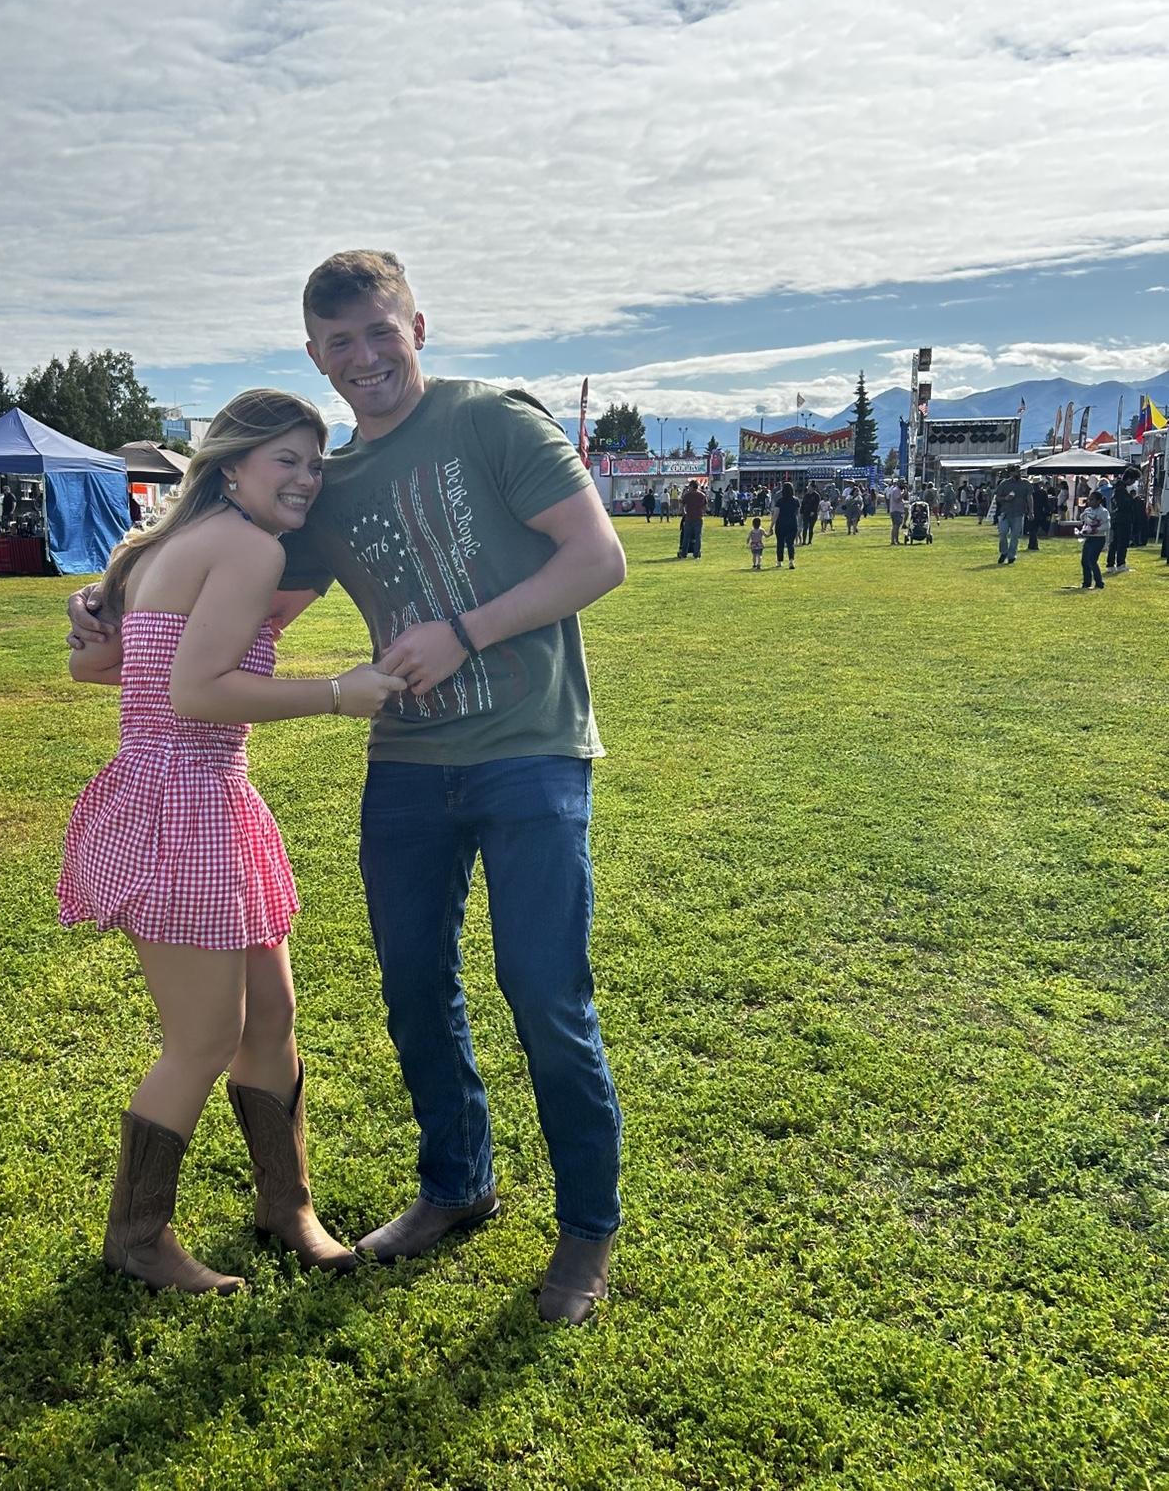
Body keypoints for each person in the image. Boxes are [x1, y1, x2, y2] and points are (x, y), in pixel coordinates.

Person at [73, 250, 627, 1324]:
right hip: (406, 766)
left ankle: (585, 1231)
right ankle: (454, 1186)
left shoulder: (493, 421)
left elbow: (597, 559)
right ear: (317, 357)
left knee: (544, 993)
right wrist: (109, 609)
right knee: (415, 991)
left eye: (380, 330)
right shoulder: (326, 487)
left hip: (531, 749)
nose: (365, 355)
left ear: (417, 326)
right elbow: (217, 616)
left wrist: (461, 631)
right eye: (340, 342)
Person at [61, 389, 405, 1296]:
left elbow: (97, 665)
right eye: (285, 459)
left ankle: (286, 1207)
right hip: (187, 805)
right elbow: (196, 693)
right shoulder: (249, 549)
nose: (306, 478)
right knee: (204, 1039)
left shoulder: (165, 546)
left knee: (272, 1018)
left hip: (187, 798)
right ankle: (137, 1238)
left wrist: (96, 619)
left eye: (314, 463)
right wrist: (338, 692)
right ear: (231, 465)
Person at [1105, 469, 1140, 575]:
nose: (1133, 482)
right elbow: (1123, 505)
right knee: (1122, 542)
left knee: (1115, 542)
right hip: (1123, 519)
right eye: (1134, 480)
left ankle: (1111, 564)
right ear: (1129, 478)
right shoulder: (1121, 490)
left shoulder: (1117, 488)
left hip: (1116, 518)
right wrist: (1134, 500)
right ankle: (1120, 564)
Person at [993, 466, 1030, 565]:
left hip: (1018, 513)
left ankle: (1011, 556)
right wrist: (1005, 498)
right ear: (1011, 473)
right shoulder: (1004, 483)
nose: (1019, 473)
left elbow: (1029, 497)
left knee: (1015, 536)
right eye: (1016, 471)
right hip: (1005, 513)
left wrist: (1031, 511)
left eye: (1019, 471)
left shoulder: (1025, 483)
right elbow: (997, 498)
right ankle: (1004, 552)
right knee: (1003, 533)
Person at [1079, 490, 1109, 590]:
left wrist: (1095, 530)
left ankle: (1099, 583)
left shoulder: (1103, 512)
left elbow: (1107, 526)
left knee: (1092, 560)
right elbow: (1084, 522)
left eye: (1092, 500)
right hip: (1089, 538)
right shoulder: (1088, 510)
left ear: (1098, 501)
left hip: (1098, 539)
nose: (1089, 501)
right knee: (1084, 561)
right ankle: (1086, 583)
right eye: (1089, 499)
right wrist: (1084, 530)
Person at [678, 479, 707, 558]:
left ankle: (684, 553)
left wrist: (684, 512)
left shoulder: (687, 495)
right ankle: (696, 553)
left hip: (689, 518)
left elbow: (682, 505)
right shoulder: (702, 495)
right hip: (698, 518)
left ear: (692, 486)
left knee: (686, 537)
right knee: (698, 537)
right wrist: (702, 513)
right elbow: (705, 506)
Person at [773, 481, 799, 568]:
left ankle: (779, 561)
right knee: (790, 543)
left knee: (780, 543)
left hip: (781, 523)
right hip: (792, 523)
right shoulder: (796, 501)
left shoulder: (780, 501)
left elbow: (776, 514)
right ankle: (791, 561)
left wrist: (771, 525)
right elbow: (797, 513)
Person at [1027, 480, 1052, 551]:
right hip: (1040, 512)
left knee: (1032, 529)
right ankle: (1033, 544)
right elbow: (1046, 503)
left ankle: (1032, 544)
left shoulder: (1030, 492)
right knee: (1034, 529)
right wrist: (1048, 511)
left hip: (1032, 511)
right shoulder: (1043, 492)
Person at [887, 481, 907, 546]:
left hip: (897, 510)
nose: (904, 486)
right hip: (896, 510)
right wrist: (904, 494)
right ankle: (893, 541)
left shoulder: (898, 490)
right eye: (903, 484)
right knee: (895, 526)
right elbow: (897, 499)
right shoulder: (896, 490)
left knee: (897, 526)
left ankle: (896, 540)